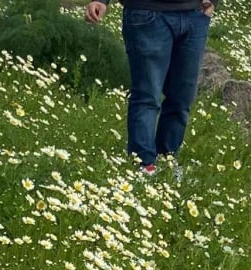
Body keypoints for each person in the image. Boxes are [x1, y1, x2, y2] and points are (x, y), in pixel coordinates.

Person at [84, 0, 216, 177]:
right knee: (147, 96)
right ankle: (144, 165)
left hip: (195, 14)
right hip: (147, 12)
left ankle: (167, 162)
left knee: (182, 99)